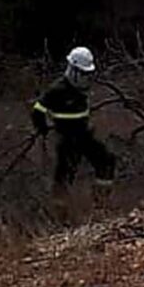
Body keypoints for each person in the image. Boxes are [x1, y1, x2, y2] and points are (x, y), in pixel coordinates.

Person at [30, 47, 116, 204]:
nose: (86, 78)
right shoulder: (57, 89)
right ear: (73, 70)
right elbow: (37, 111)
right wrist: (42, 128)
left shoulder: (82, 89)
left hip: (84, 135)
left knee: (106, 160)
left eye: (88, 74)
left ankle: (101, 203)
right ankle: (61, 211)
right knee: (64, 175)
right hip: (67, 139)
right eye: (83, 74)